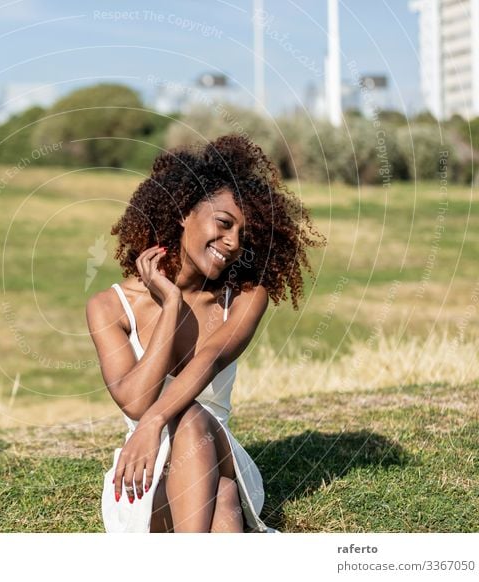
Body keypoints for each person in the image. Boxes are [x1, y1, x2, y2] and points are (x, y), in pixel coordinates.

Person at [86, 134, 325, 532]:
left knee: (193, 415)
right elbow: (135, 402)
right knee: (223, 497)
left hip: (218, 448)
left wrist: (155, 420)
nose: (232, 243)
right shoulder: (109, 307)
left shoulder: (247, 297)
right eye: (224, 223)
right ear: (184, 212)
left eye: (243, 237)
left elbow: (209, 358)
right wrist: (172, 306)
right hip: (143, 471)